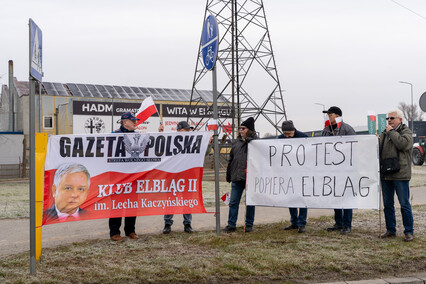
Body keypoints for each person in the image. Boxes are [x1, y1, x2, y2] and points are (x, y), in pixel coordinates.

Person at [379, 109, 414, 242]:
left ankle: (409, 231)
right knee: (388, 204)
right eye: (388, 119)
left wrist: (391, 132)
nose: (389, 121)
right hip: (386, 174)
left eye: (392, 118)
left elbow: (402, 144)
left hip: (400, 175)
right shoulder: (385, 133)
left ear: (400, 119)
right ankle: (390, 230)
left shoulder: (406, 132)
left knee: (404, 204)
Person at [321, 106, 356, 234]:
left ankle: (347, 224)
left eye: (330, 115)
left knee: (346, 197)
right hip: (331, 169)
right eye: (328, 115)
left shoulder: (347, 129)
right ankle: (338, 222)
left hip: (346, 170)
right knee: (335, 196)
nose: (328, 117)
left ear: (337, 116)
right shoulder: (326, 130)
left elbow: (354, 147)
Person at [109, 112, 140, 241]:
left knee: (132, 204)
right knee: (117, 204)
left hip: (133, 176)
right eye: (132, 120)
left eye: (135, 120)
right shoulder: (114, 135)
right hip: (118, 176)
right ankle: (115, 232)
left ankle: (130, 231)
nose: (135, 122)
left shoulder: (138, 136)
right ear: (124, 122)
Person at [223, 117, 258, 233]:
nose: (240, 130)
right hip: (237, 178)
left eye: (243, 128)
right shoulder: (236, 143)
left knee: (250, 203)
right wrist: (229, 174)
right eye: (240, 128)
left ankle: (249, 224)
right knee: (233, 202)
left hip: (250, 178)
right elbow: (231, 160)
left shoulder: (256, 143)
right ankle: (231, 224)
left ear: (250, 130)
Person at [160, 120, 194, 234]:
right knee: (171, 200)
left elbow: (202, 153)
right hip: (173, 176)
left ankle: (188, 224)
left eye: (189, 129)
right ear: (179, 130)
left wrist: (208, 143)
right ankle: (167, 223)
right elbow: (159, 148)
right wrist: (160, 132)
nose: (189, 131)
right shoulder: (170, 141)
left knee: (187, 200)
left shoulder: (191, 141)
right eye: (187, 129)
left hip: (187, 175)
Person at [278, 120, 309, 233]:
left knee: (302, 199)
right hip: (288, 173)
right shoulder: (280, 139)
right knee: (290, 199)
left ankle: (302, 223)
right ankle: (294, 222)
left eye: (289, 134)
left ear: (294, 130)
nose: (287, 137)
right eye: (285, 134)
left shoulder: (303, 137)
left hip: (301, 174)